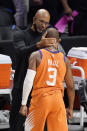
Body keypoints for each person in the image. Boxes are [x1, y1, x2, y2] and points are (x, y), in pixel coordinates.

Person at [9, 9, 65, 131]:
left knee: (36, 127)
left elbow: (61, 58)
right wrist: (38, 45)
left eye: (46, 23)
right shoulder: (20, 34)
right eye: (41, 21)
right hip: (20, 87)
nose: (43, 25)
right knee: (16, 125)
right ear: (34, 19)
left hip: (39, 92)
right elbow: (20, 51)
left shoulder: (47, 38)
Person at [19, 28, 75, 131]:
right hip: (58, 100)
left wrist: (23, 104)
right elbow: (71, 87)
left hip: (40, 99)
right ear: (58, 41)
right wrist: (70, 107)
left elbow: (28, 80)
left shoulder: (36, 55)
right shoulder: (65, 60)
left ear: (43, 38)